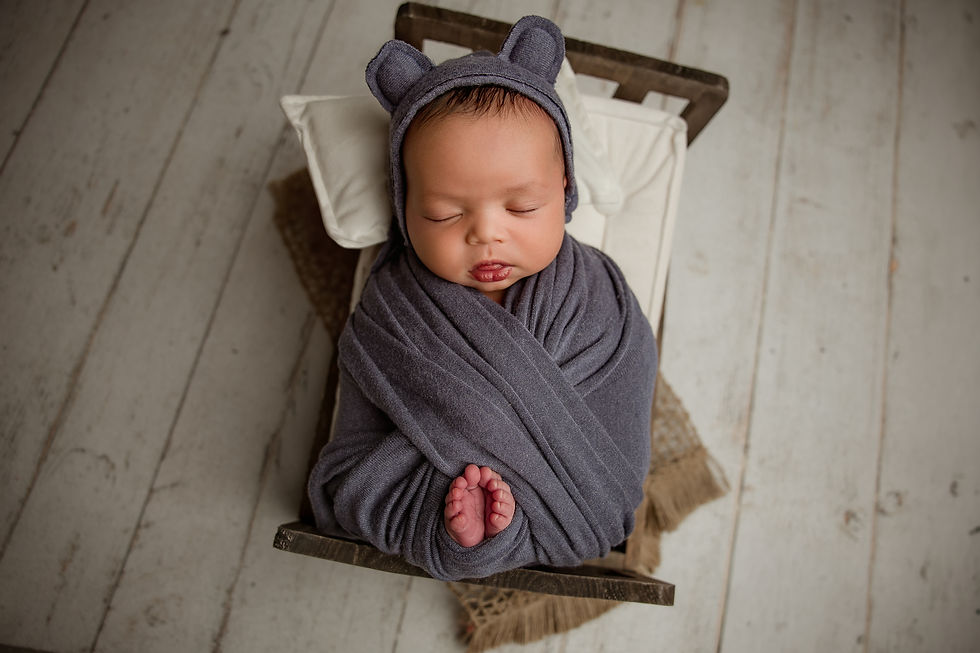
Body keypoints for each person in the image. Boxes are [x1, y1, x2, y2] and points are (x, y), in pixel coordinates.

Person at [308, 15, 657, 581]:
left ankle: (483, 534)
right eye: (444, 214)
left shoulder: (599, 299)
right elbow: (354, 458)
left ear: (564, 191)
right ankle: (464, 535)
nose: (486, 234)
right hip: (441, 502)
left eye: (521, 208)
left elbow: (625, 402)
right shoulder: (393, 309)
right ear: (404, 211)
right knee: (372, 488)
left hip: (572, 502)